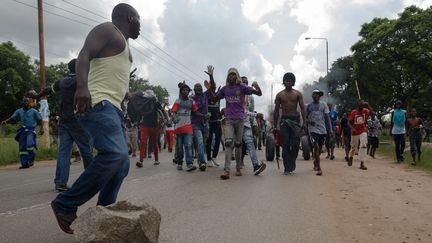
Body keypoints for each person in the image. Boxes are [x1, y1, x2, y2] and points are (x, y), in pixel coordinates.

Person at [50, 3, 141, 234]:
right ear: (130, 17)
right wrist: (82, 87)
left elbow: (111, 75)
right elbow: (84, 54)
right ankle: (65, 203)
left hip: (113, 108)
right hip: (98, 103)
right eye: (139, 20)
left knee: (122, 164)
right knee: (115, 154)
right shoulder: (108, 30)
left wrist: (129, 94)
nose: (141, 26)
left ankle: (104, 211)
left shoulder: (124, 46)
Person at [37, 58, 93, 192]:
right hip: (79, 120)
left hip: (64, 120)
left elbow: (48, 90)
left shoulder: (62, 82)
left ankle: (60, 182)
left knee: (64, 152)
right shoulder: (83, 81)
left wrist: (36, 96)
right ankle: (91, 180)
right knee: (86, 151)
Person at [210, 68, 262, 179]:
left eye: (233, 74)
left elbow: (259, 93)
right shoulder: (225, 89)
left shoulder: (242, 88)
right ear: (227, 77)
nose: (231, 76)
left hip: (240, 120)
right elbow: (214, 99)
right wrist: (210, 84)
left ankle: (238, 168)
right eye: (229, 75)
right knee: (228, 143)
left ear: (237, 76)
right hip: (229, 120)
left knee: (238, 144)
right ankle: (226, 171)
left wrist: (256, 85)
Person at [273, 72, 307, 175]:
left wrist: (304, 122)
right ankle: (287, 167)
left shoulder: (297, 94)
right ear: (283, 82)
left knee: (296, 144)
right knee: (285, 144)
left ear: (293, 82)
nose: (288, 82)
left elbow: (302, 108)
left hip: (295, 120)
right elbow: (276, 111)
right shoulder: (279, 95)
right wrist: (275, 126)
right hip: (284, 120)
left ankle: (292, 161)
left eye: (290, 81)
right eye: (286, 80)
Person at [171, 82, 206, 171]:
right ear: (181, 91)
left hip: (188, 128)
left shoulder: (191, 101)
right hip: (179, 128)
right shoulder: (178, 101)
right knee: (179, 147)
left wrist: (203, 115)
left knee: (188, 146)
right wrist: (174, 118)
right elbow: (173, 112)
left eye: (187, 90)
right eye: (184, 90)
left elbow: (195, 112)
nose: (185, 91)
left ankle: (189, 163)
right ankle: (179, 162)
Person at [1, 97, 44, 169]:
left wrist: (42, 128)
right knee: (22, 148)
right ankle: (24, 164)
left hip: (31, 130)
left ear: (29, 103)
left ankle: (31, 158)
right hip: (23, 130)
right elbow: (12, 118)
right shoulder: (19, 111)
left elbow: (41, 120)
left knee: (30, 145)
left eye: (27, 102)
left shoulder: (34, 111)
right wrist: (5, 121)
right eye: (24, 102)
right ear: (22, 103)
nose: (25, 103)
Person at [240, 76, 266, 175]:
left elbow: (250, 110)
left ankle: (256, 165)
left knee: (249, 143)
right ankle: (238, 163)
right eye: (243, 82)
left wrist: (254, 124)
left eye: (246, 83)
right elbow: (242, 111)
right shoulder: (237, 94)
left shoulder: (250, 96)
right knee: (238, 144)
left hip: (246, 123)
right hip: (236, 123)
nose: (245, 84)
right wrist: (255, 115)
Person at [136, 90, 168, 167]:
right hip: (144, 125)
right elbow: (139, 112)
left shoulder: (156, 103)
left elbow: (162, 110)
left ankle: (156, 160)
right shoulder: (143, 103)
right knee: (143, 142)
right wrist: (138, 122)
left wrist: (166, 118)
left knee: (154, 143)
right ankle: (140, 161)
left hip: (154, 126)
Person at [306, 89, 333, 176]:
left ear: (319, 96)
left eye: (318, 94)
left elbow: (327, 118)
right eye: (314, 94)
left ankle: (315, 162)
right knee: (316, 147)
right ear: (312, 95)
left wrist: (330, 130)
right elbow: (304, 117)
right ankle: (319, 168)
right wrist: (309, 122)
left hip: (322, 130)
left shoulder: (323, 104)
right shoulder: (308, 106)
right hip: (312, 129)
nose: (316, 95)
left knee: (319, 148)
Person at [347, 100, 375, 170]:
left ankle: (362, 163)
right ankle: (351, 157)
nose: (361, 105)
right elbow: (348, 123)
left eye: (362, 104)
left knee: (363, 144)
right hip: (354, 132)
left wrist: (368, 105)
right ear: (357, 105)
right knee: (353, 147)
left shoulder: (365, 110)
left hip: (363, 130)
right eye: (360, 104)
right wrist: (352, 128)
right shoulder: (354, 112)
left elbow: (373, 113)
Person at [204, 65, 222, 166]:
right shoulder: (205, 95)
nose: (214, 86)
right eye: (212, 85)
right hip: (208, 121)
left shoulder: (218, 94)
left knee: (218, 139)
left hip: (217, 121)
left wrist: (211, 76)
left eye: (214, 85)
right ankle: (209, 159)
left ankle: (214, 157)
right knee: (209, 139)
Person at [191, 82, 210, 171]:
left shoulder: (205, 95)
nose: (199, 88)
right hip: (196, 123)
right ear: (194, 90)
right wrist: (203, 115)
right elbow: (193, 111)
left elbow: (212, 88)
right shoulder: (192, 99)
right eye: (197, 87)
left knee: (203, 143)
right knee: (200, 142)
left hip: (205, 124)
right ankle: (202, 162)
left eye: (200, 87)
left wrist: (211, 77)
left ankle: (199, 158)